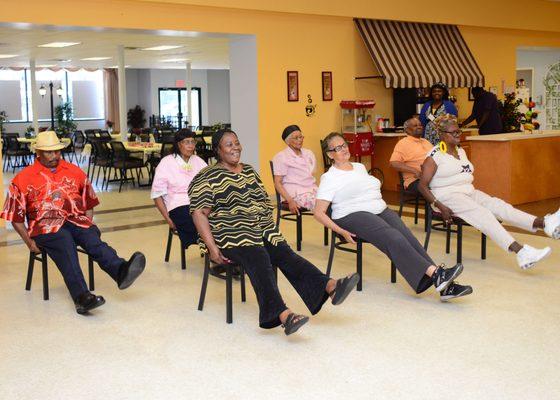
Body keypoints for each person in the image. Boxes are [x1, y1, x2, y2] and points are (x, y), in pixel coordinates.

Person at [188, 129, 359, 335]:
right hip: (229, 233)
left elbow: (262, 202)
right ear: (218, 150)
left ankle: (330, 287)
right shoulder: (207, 176)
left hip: (261, 229)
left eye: (237, 142)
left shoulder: (249, 170)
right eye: (229, 144)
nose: (236, 148)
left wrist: (268, 228)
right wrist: (211, 247)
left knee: (284, 253)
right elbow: (199, 213)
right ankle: (282, 315)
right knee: (259, 255)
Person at [314, 132, 472, 301]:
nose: (344, 149)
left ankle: (444, 286)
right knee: (393, 237)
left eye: (344, 144)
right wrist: (340, 231)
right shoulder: (329, 177)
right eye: (338, 148)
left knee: (408, 237)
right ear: (330, 154)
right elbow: (318, 212)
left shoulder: (358, 167)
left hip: (377, 208)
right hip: (350, 214)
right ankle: (437, 274)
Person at [0, 131, 146, 314]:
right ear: (38, 152)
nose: (54, 156)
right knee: (64, 242)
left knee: (91, 237)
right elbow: (15, 217)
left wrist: (86, 226)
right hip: (45, 227)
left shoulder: (74, 171)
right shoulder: (23, 178)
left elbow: (89, 203)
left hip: (75, 220)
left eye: (57, 151)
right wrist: (29, 242)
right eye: (49, 152)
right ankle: (82, 297)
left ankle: (120, 270)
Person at [419, 114, 560, 269]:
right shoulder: (434, 156)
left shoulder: (461, 151)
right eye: (453, 133)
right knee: (484, 214)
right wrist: (438, 204)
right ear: (441, 135)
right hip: (445, 197)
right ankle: (521, 252)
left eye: (458, 131)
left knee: (500, 206)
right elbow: (422, 186)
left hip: (469, 193)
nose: (458, 135)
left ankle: (545, 223)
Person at [151, 129, 207, 248]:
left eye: (193, 142)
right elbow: (157, 195)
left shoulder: (198, 161)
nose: (191, 146)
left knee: (221, 220)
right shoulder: (166, 163)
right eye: (187, 142)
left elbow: (210, 183)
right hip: (178, 206)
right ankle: (212, 250)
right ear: (178, 144)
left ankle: (219, 253)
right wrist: (168, 220)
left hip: (200, 203)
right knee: (197, 222)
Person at [272, 125, 318, 213]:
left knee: (332, 201)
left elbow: (311, 175)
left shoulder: (309, 153)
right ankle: (335, 226)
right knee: (321, 205)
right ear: (288, 141)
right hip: (294, 194)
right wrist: (290, 201)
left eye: (301, 137)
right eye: (296, 138)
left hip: (312, 190)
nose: (300, 140)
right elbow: (277, 183)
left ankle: (336, 226)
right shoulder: (281, 157)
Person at [389, 117, 433, 193]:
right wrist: (415, 171)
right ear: (407, 130)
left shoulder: (426, 141)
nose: (419, 127)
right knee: (437, 188)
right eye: (415, 125)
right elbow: (393, 163)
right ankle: (434, 204)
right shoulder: (403, 143)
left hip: (432, 176)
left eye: (420, 125)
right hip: (415, 180)